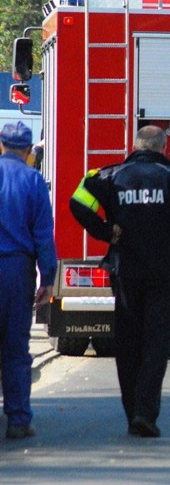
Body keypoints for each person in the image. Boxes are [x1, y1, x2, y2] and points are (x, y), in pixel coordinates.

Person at [70, 125, 170, 438]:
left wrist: (105, 230)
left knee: (128, 341)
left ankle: (132, 413)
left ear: (136, 145)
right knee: (156, 343)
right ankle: (145, 413)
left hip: (125, 271)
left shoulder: (109, 175)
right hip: (165, 274)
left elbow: (78, 202)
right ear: (164, 147)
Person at [0, 122, 56, 439]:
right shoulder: (33, 181)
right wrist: (47, 278)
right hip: (15, 271)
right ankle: (18, 420)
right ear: (27, 149)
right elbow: (43, 236)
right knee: (15, 347)